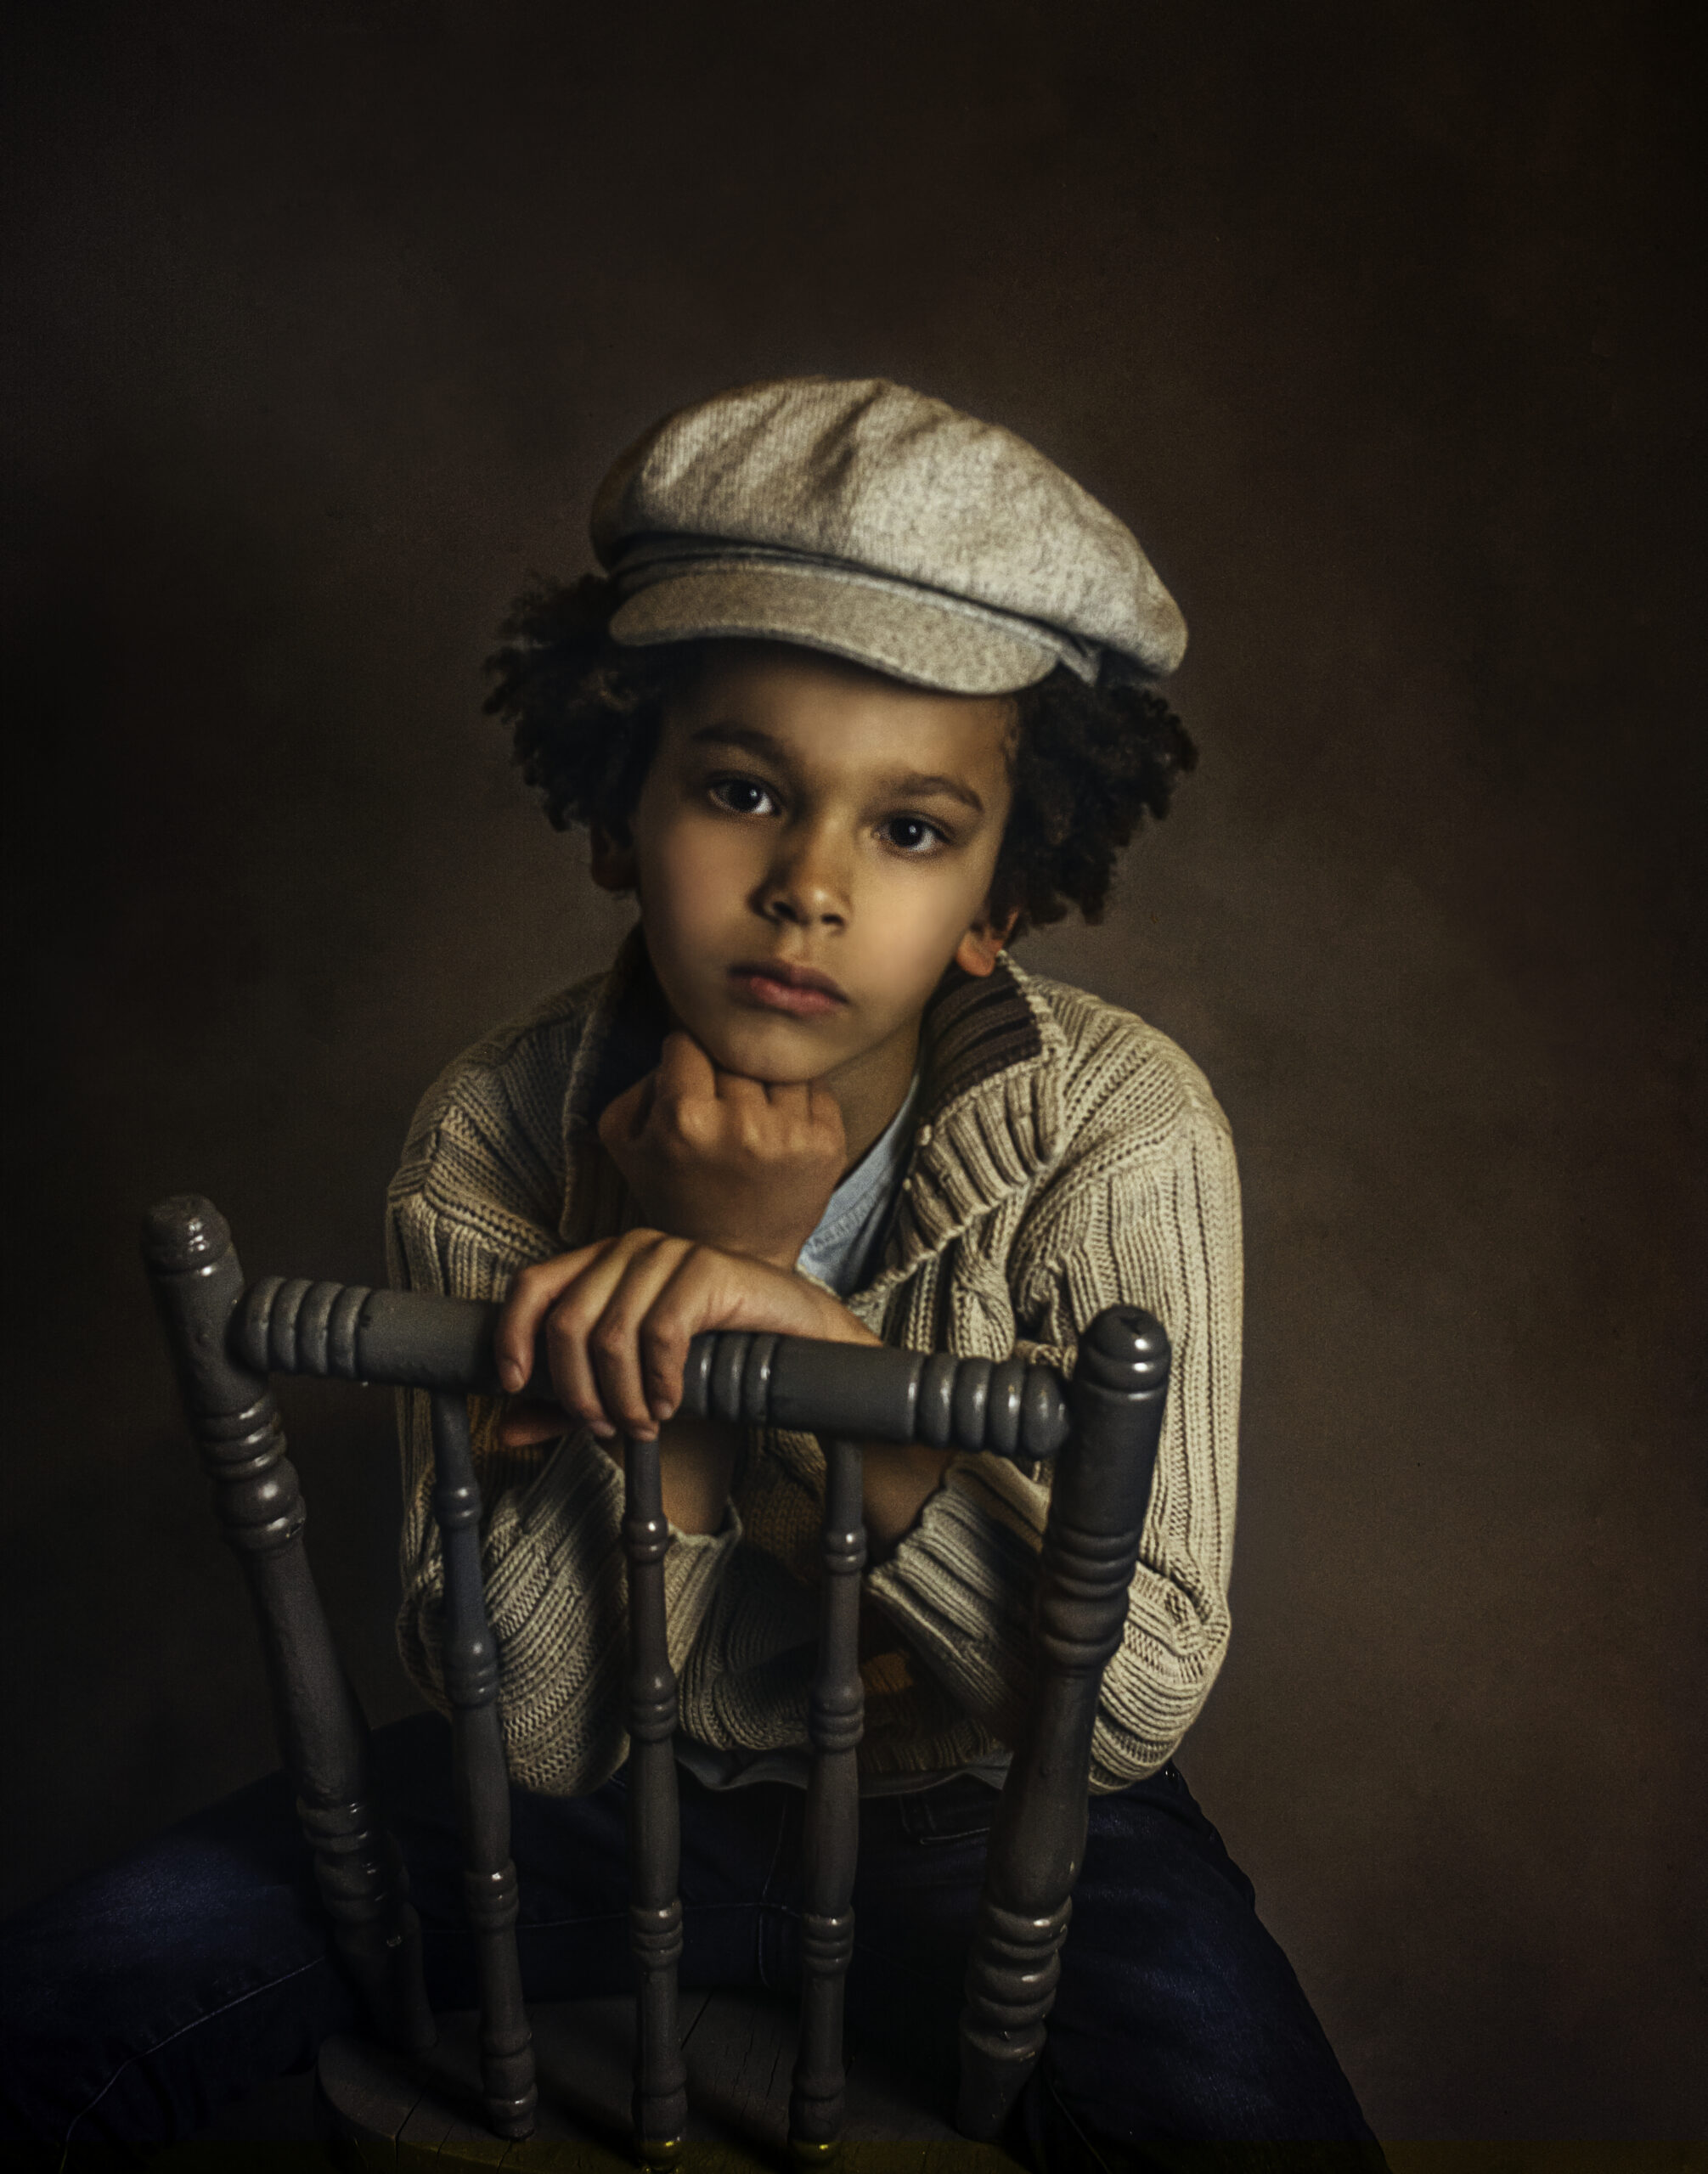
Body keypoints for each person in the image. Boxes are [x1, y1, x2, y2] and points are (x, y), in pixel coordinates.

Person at [0, 378, 1384, 2168]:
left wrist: (803, 1346)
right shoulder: (495, 1131)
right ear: (612, 813)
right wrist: (695, 1296)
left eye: (907, 827)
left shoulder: (1115, 1131)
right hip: (598, 1803)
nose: (807, 885)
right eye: (743, 789)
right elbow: (556, 1731)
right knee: (60, 2014)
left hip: (988, 1814)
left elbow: (1119, 1707)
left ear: (1002, 896)